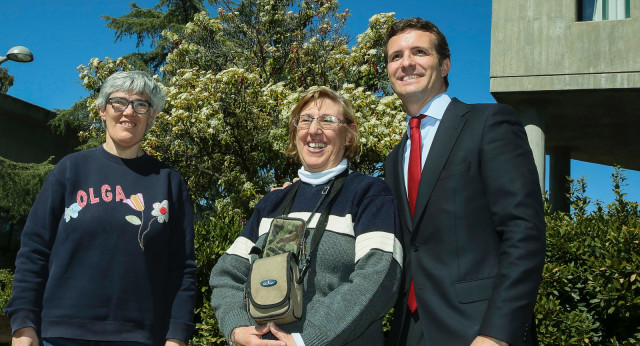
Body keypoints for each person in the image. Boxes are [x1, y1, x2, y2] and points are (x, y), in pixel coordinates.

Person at [383, 18, 546, 345]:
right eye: (395, 56)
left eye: (419, 52)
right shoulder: (393, 159)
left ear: (444, 65)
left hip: (478, 330)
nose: (407, 63)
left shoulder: (489, 123)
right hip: (408, 331)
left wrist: (497, 334)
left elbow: (523, 231)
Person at [5, 71, 198, 346]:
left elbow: (182, 269)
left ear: (151, 116)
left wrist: (177, 336)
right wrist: (23, 324)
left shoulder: (169, 182)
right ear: (102, 111)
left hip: (140, 338)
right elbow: (34, 251)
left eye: (140, 105)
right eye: (118, 102)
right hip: (61, 335)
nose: (129, 112)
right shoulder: (70, 170)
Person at [209, 87, 403, 345]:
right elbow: (226, 274)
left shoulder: (369, 194)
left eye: (327, 120)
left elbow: (380, 276)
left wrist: (305, 340)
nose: (314, 130)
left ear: (348, 134)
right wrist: (237, 329)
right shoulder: (271, 204)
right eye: (305, 120)